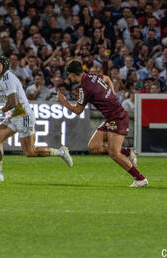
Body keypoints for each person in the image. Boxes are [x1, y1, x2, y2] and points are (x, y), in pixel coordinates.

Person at [0, 56, 73, 182]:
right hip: (14, 116)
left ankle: (60, 152)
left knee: (30, 152)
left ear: (5, 67)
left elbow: (13, 101)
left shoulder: (8, 78)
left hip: (24, 116)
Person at [57, 60, 148, 188]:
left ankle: (140, 178)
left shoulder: (84, 88)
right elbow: (107, 78)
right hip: (112, 117)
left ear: (72, 74)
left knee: (114, 153)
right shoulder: (93, 76)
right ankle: (127, 151)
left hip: (118, 118)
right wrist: (112, 93)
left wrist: (64, 102)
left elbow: (78, 110)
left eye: (69, 75)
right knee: (93, 147)